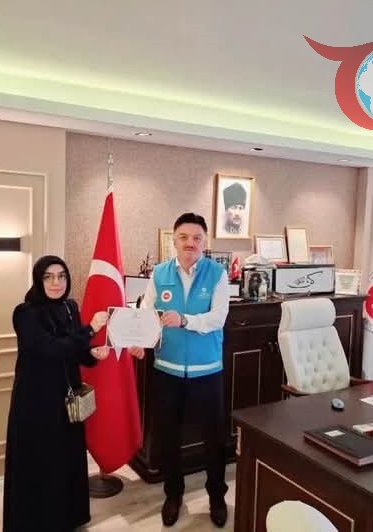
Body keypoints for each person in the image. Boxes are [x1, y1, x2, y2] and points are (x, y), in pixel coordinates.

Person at [129, 213, 230, 528]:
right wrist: (140, 342)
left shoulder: (217, 274)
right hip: (167, 371)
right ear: (174, 240)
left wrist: (185, 320)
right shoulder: (160, 273)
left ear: (204, 241)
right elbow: (146, 314)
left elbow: (218, 318)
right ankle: (173, 494)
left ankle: (216, 495)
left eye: (197, 238)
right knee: (168, 437)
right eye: (184, 237)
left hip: (207, 371)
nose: (190, 243)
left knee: (214, 440)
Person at [3, 255, 110, 532]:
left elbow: (74, 350)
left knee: (66, 459)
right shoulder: (25, 313)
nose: (56, 282)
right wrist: (91, 329)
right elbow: (50, 349)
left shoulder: (70, 307)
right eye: (48, 277)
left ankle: (67, 519)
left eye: (61, 276)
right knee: (41, 463)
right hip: (36, 401)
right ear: (38, 280)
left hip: (68, 399)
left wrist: (92, 354)